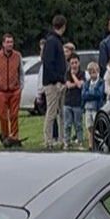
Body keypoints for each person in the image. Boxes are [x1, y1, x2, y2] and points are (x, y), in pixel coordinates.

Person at [0, 33, 25, 148]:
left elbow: (21, 72)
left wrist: (21, 87)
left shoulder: (17, 56)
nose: (10, 44)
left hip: (14, 90)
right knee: (2, 115)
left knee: (14, 115)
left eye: (11, 42)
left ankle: (14, 137)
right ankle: (4, 136)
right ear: (3, 44)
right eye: (8, 42)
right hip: (1, 91)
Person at [41, 15, 66, 149]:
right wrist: (57, 79)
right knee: (51, 112)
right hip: (52, 83)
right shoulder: (52, 42)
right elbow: (49, 63)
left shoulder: (56, 41)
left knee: (62, 112)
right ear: (63, 26)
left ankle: (62, 139)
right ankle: (48, 140)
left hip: (59, 81)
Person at [63, 54, 85, 149]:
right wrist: (76, 82)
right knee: (67, 124)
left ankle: (80, 142)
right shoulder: (67, 73)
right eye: (72, 63)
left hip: (78, 103)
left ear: (79, 63)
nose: (74, 65)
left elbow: (80, 85)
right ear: (69, 64)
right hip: (68, 102)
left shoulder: (82, 73)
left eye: (76, 62)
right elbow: (68, 85)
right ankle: (66, 142)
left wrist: (73, 76)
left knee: (78, 124)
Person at [82, 61, 106, 151]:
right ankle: (90, 145)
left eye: (94, 72)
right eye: (90, 72)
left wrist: (90, 93)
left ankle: (99, 144)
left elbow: (99, 94)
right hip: (88, 108)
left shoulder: (101, 82)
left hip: (96, 108)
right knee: (89, 127)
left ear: (98, 71)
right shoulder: (87, 83)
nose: (92, 74)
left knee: (97, 127)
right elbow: (83, 95)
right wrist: (91, 94)